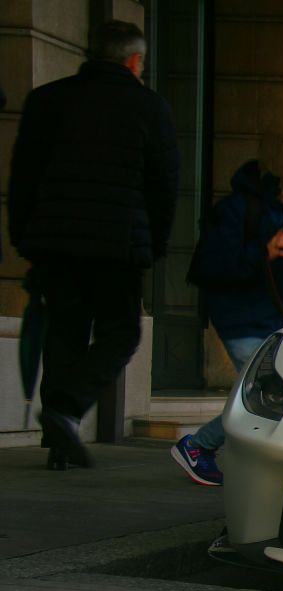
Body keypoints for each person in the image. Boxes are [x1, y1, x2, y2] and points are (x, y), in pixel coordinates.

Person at [7, 20, 180, 469]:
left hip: (55, 243)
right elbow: (164, 187)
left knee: (64, 333)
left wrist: (24, 237)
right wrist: (155, 244)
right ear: (135, 61)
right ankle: (65, 409)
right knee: (121, 332)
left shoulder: (47, 101)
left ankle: (58, 442)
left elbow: (22, 177)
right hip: (116, 246)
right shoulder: (150, 108)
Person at [170, 157, 283, 485]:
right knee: (269, 395)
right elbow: (215, 266)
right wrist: (265, 251)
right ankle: (199, 446)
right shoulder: (237, 209)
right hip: (241, 318)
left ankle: (230, 454)